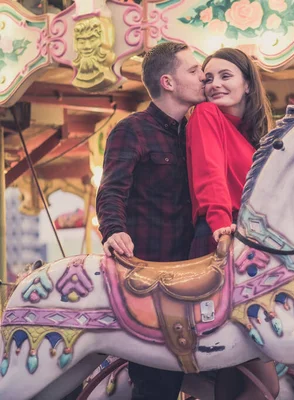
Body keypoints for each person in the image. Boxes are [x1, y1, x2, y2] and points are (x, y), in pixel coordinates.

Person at [96, 41, 205, 400]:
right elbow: (111, 190)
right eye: (192, 70)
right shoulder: (132, 130)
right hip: (149, 275)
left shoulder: (196, 132)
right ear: (168, 82)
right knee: (157, 384)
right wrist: (114, 230)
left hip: (194, 269)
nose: (202, 75)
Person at [186, 48, 279, 400]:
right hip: (222, 237)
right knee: (260, 382)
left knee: (243, 379)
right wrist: (220, 222)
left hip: (250, 240)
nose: (214, 85)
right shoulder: (206, 114)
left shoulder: (256, 135)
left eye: (226, 76)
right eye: (208, 78)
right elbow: (209, 172)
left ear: (248, 85)